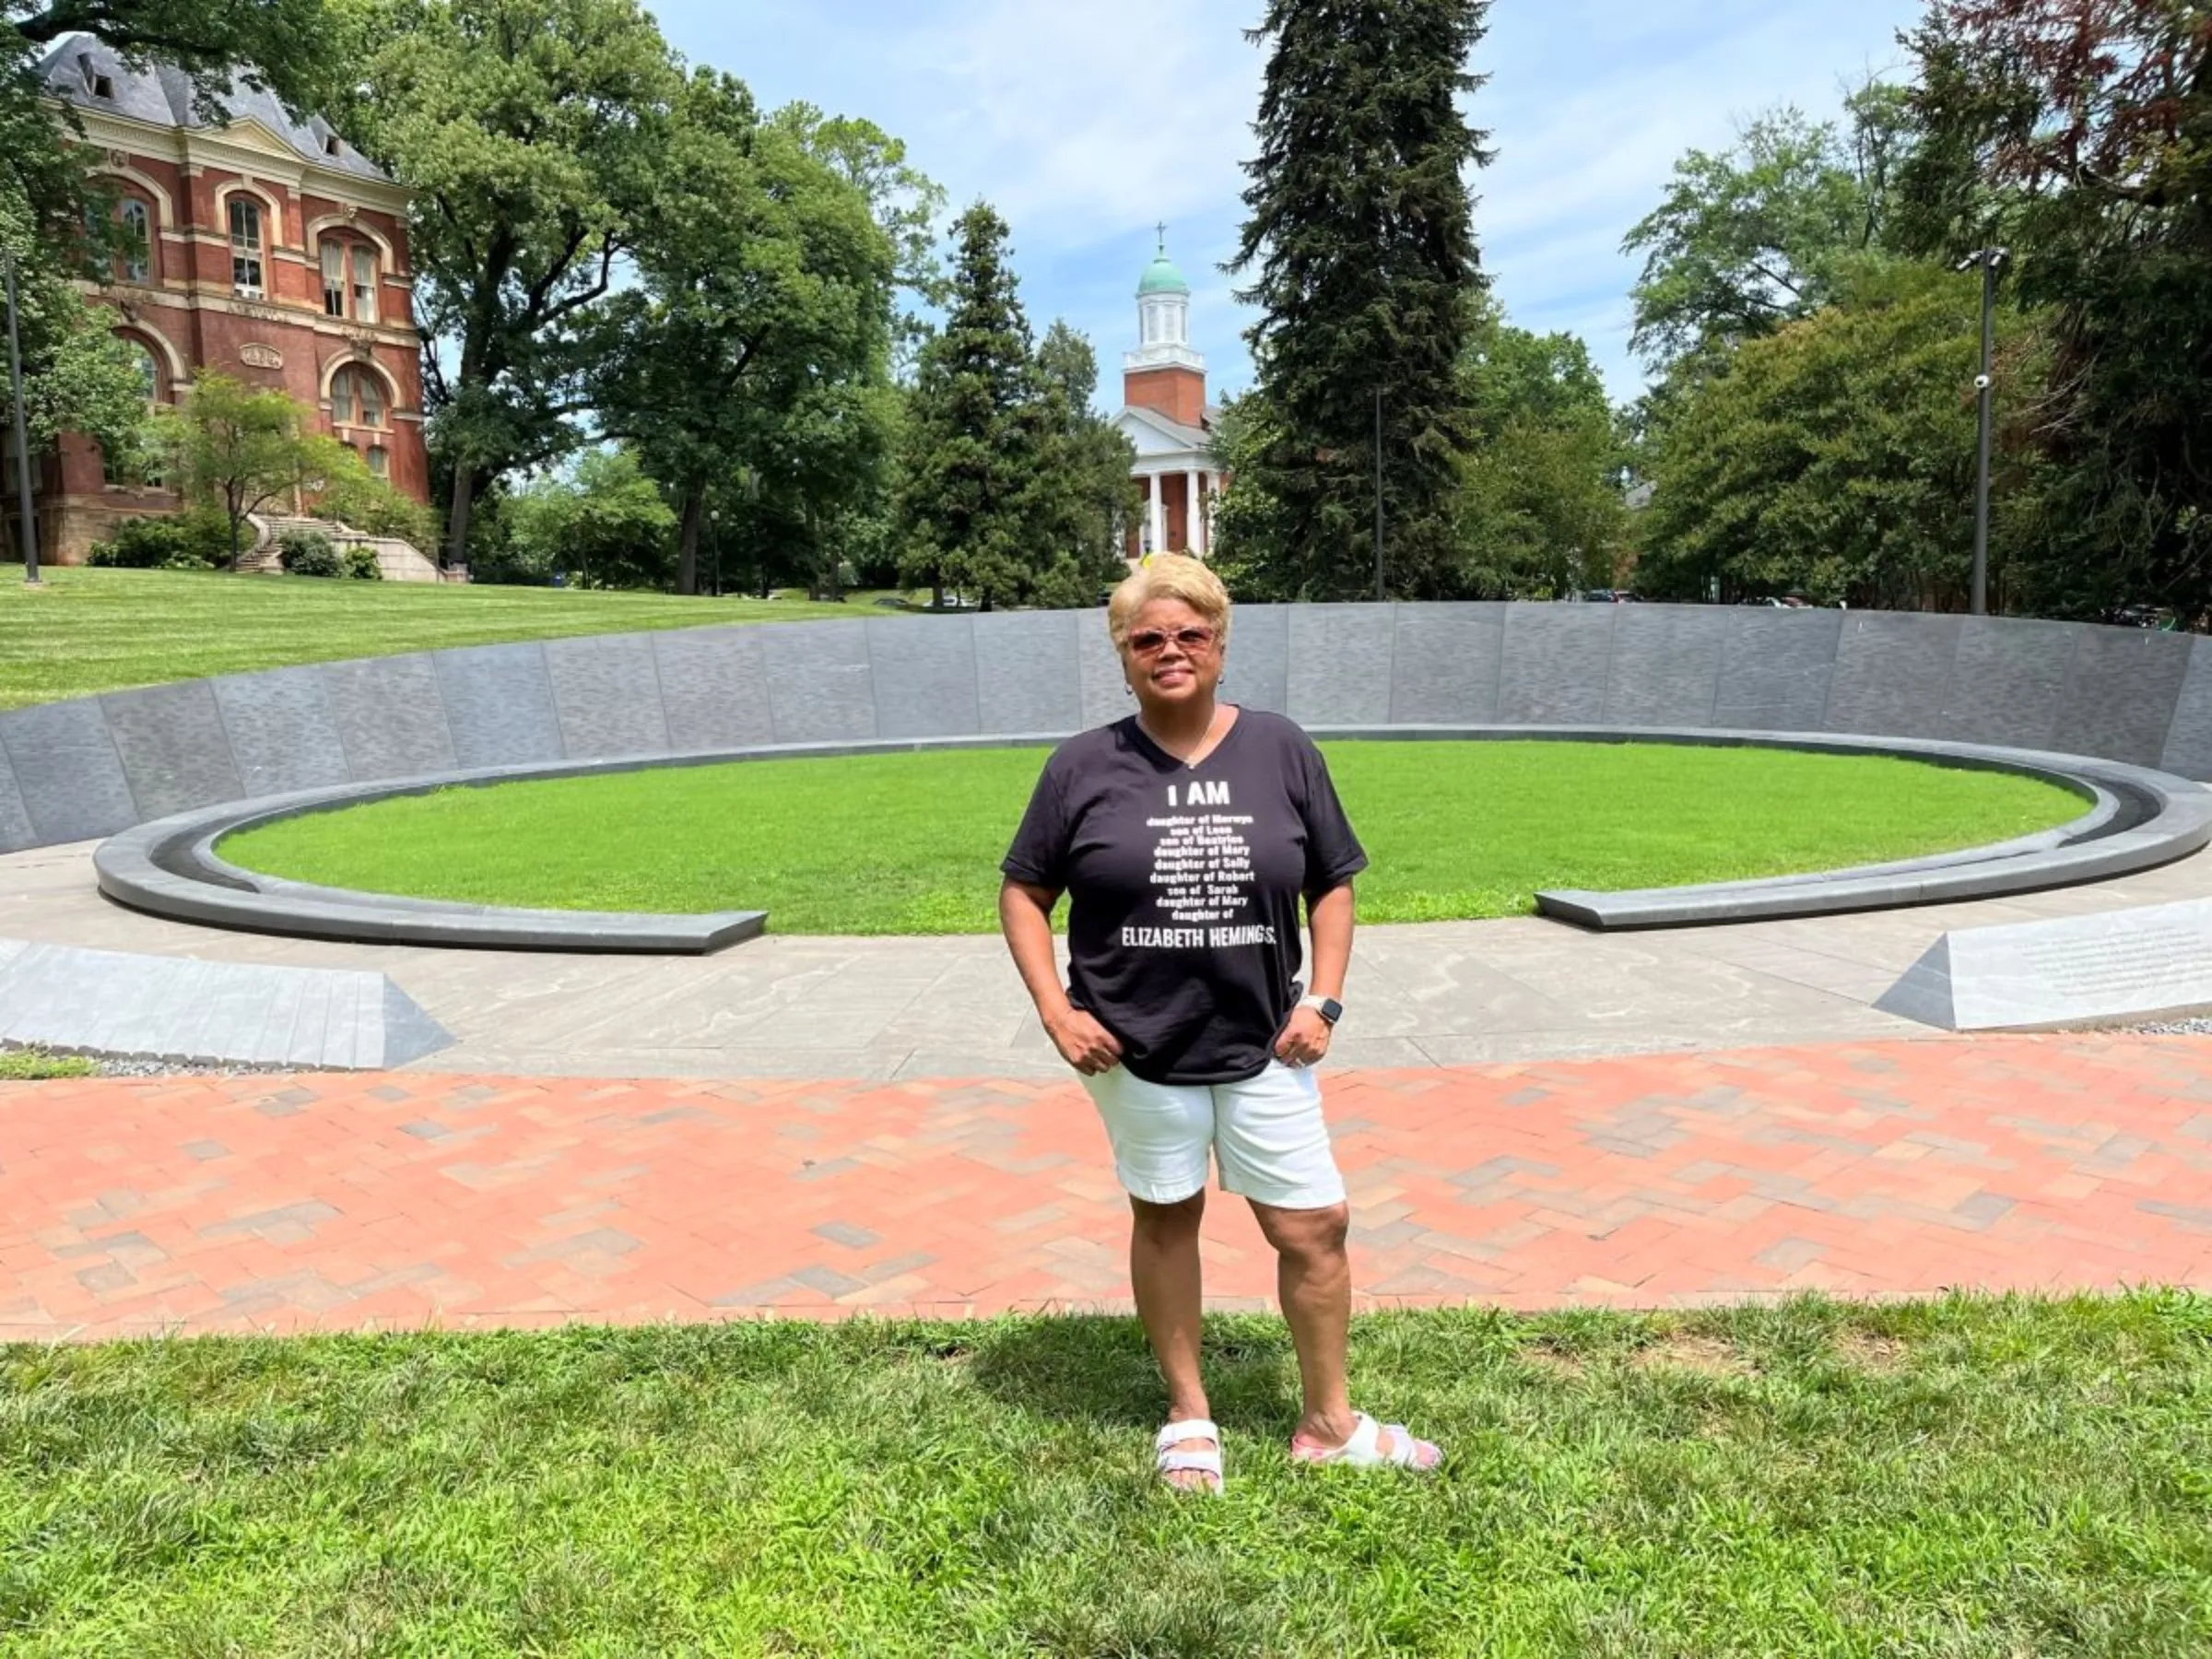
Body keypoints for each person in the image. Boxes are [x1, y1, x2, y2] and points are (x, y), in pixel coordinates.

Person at [998, 555, 1441, 1494]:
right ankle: (1189, 1414)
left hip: (1266, 1044)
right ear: (1123, 656)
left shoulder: (1280, 749)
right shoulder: (1082, 764)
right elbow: (1025, 891)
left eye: (1189, 635)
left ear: (1220, 646)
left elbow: (1334, 883)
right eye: (1147, 638)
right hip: (1135, 1047)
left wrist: (1322, 998)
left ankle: (1329, 1419)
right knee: (1166, 1218)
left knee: (1315, 1224)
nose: (1170, 651)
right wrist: (1056, 1008)